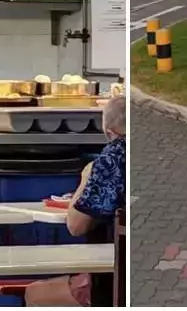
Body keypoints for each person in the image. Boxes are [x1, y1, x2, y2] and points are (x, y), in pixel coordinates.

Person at [24, 94, 126, 307]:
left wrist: (86, 178)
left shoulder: (112, 159)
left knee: (34, 294)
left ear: (109, 132)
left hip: (112, 282)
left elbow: (76, 225)